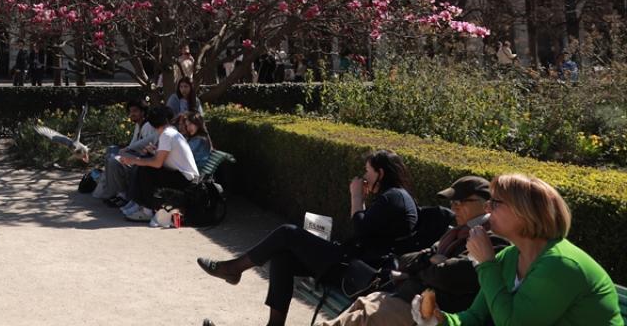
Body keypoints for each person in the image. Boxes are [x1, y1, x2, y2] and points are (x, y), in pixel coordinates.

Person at [198, 150, 418, 326]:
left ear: (380, 173)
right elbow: (368, 232)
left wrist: (356, 196)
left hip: (360, 273)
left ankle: (234, 268)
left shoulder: (393, 197)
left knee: (287, 232)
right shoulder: (397, 197)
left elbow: (360, 230)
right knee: (283, 257)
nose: (364, 176)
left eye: (367, 171)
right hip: (356, 267)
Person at [414, 173, 622, 326]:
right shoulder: (510, 257)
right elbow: (475, 317)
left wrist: (486, 264)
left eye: (495, 203)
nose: (487, 208)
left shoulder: (561, 264)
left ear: (525, 212)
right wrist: (440, 321)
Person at [321, 175, 507, 326]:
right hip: (406, 298)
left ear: (485, 203)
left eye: (460, 201)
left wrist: (423, 266)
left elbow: (449, 276)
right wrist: (431, 260)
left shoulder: (491, 240)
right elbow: (405, 260)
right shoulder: (455, 233)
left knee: (358, 319)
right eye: (452, 202)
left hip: (426, 311)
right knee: (361, 305)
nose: (453, 207)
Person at [116, 104, 200, 225]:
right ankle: (140, 205)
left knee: (145, 169)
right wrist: (153, 152)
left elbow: (157, 163)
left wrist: (133, 160)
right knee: (144, 163)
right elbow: (164, 158)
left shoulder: (167, 134)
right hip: (185, 178)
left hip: (186, 182)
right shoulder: (170, 132)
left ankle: (147, 210)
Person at [91, 99, 158, 205]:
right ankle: (112, 191)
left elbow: (145, 149)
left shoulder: (148, 126)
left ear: (143, 112)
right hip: (135, 156)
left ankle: (123, 195)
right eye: (130, 111)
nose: (132, 114)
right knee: (110, 153)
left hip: (142, 161)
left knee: (114, 161)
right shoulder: (138, 125)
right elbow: (132, 145)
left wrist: (124, 154)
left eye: (135, 111)